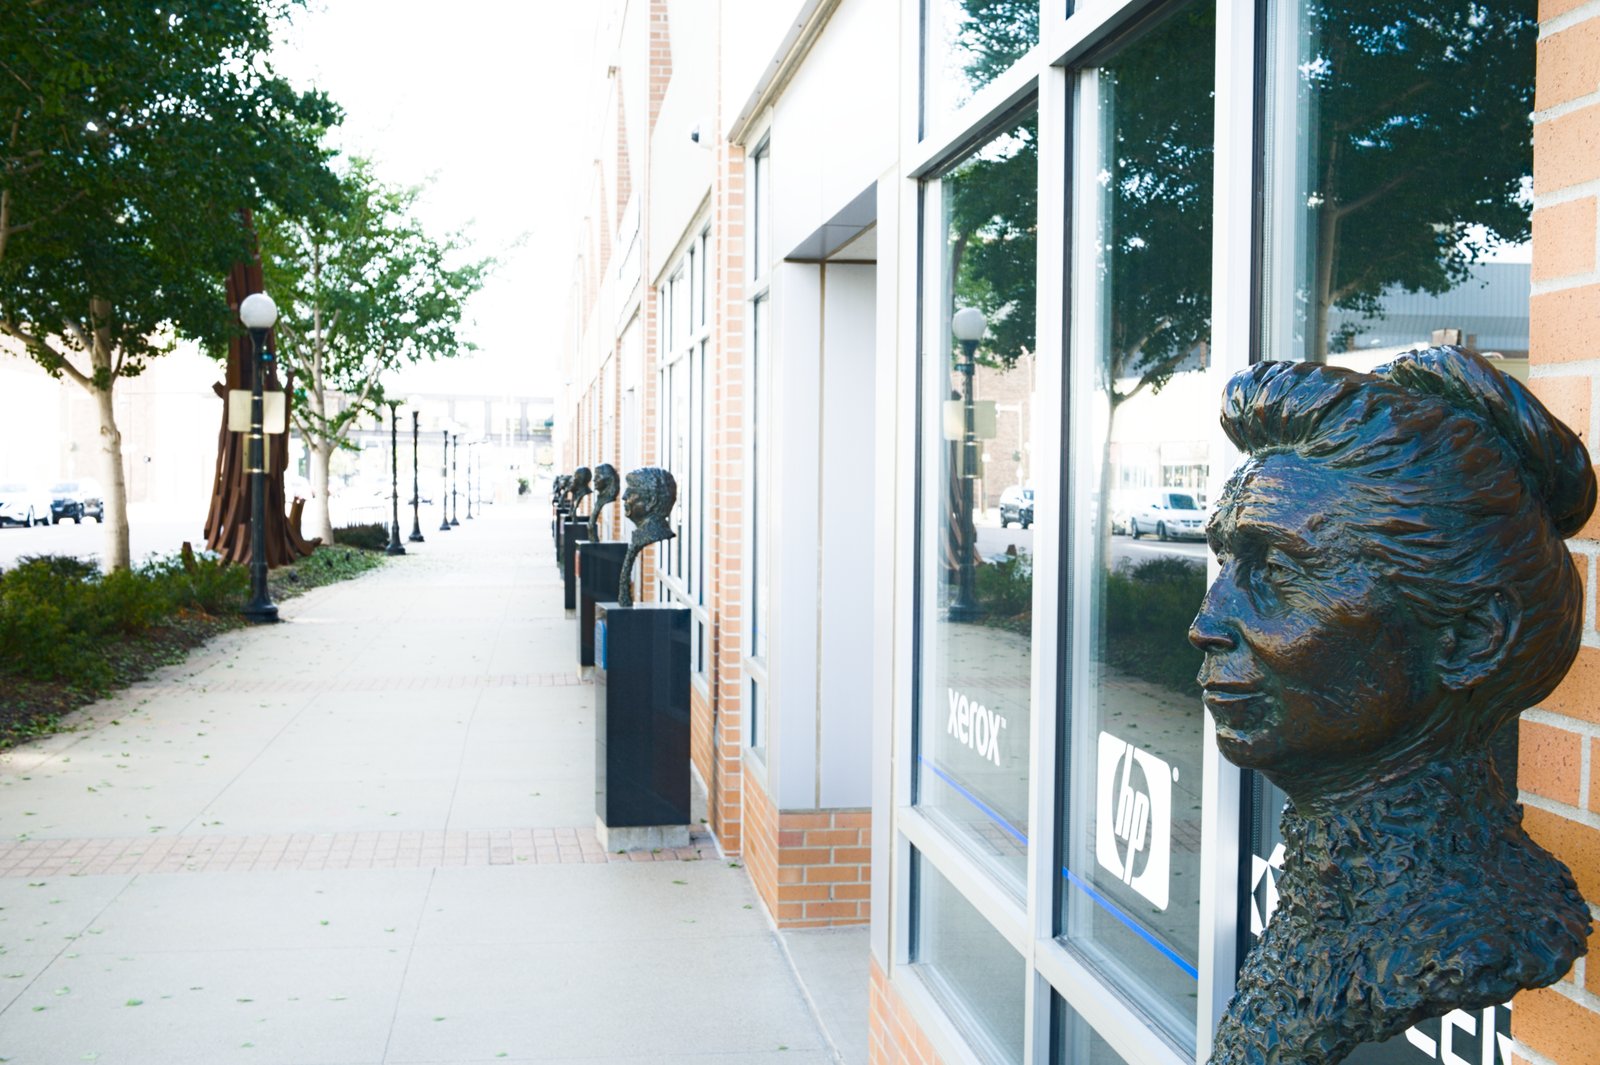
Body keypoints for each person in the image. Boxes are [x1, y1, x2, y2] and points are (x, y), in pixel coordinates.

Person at [1189, 347, 1593, 1065]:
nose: (1207, 621)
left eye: (1277, 569)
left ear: (1472, 636)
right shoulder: (1333, 896)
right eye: (1228, 563)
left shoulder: (1464, 929)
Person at [617, 467, 676, 607]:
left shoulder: (651, 533)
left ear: (651, 501)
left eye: (631, 491)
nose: (624, 496)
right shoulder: (640, 536)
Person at [588, 463, 618, 542]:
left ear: (608, 479)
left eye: (598, 476)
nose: (594, 479)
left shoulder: (607, 498)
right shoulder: (599, 500)